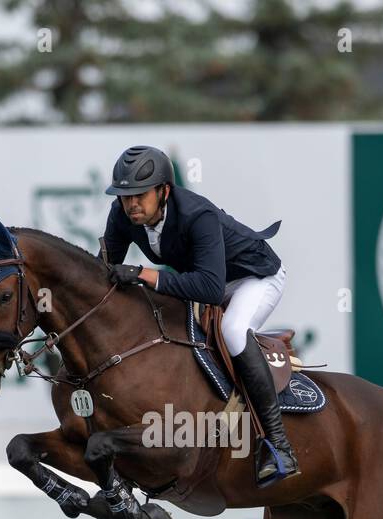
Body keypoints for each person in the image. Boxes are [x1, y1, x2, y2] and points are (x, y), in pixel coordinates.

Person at [102, 145, 299, 486]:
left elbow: (208, 289)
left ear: (164, 191)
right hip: (211, 279)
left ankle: (279, 445)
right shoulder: (122, 216)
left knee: (235, 330)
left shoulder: (197, 215)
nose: (131, 204)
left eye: (139, 195)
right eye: (125, 196)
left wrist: (144, 274)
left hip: (255, 277)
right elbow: (105, 271)